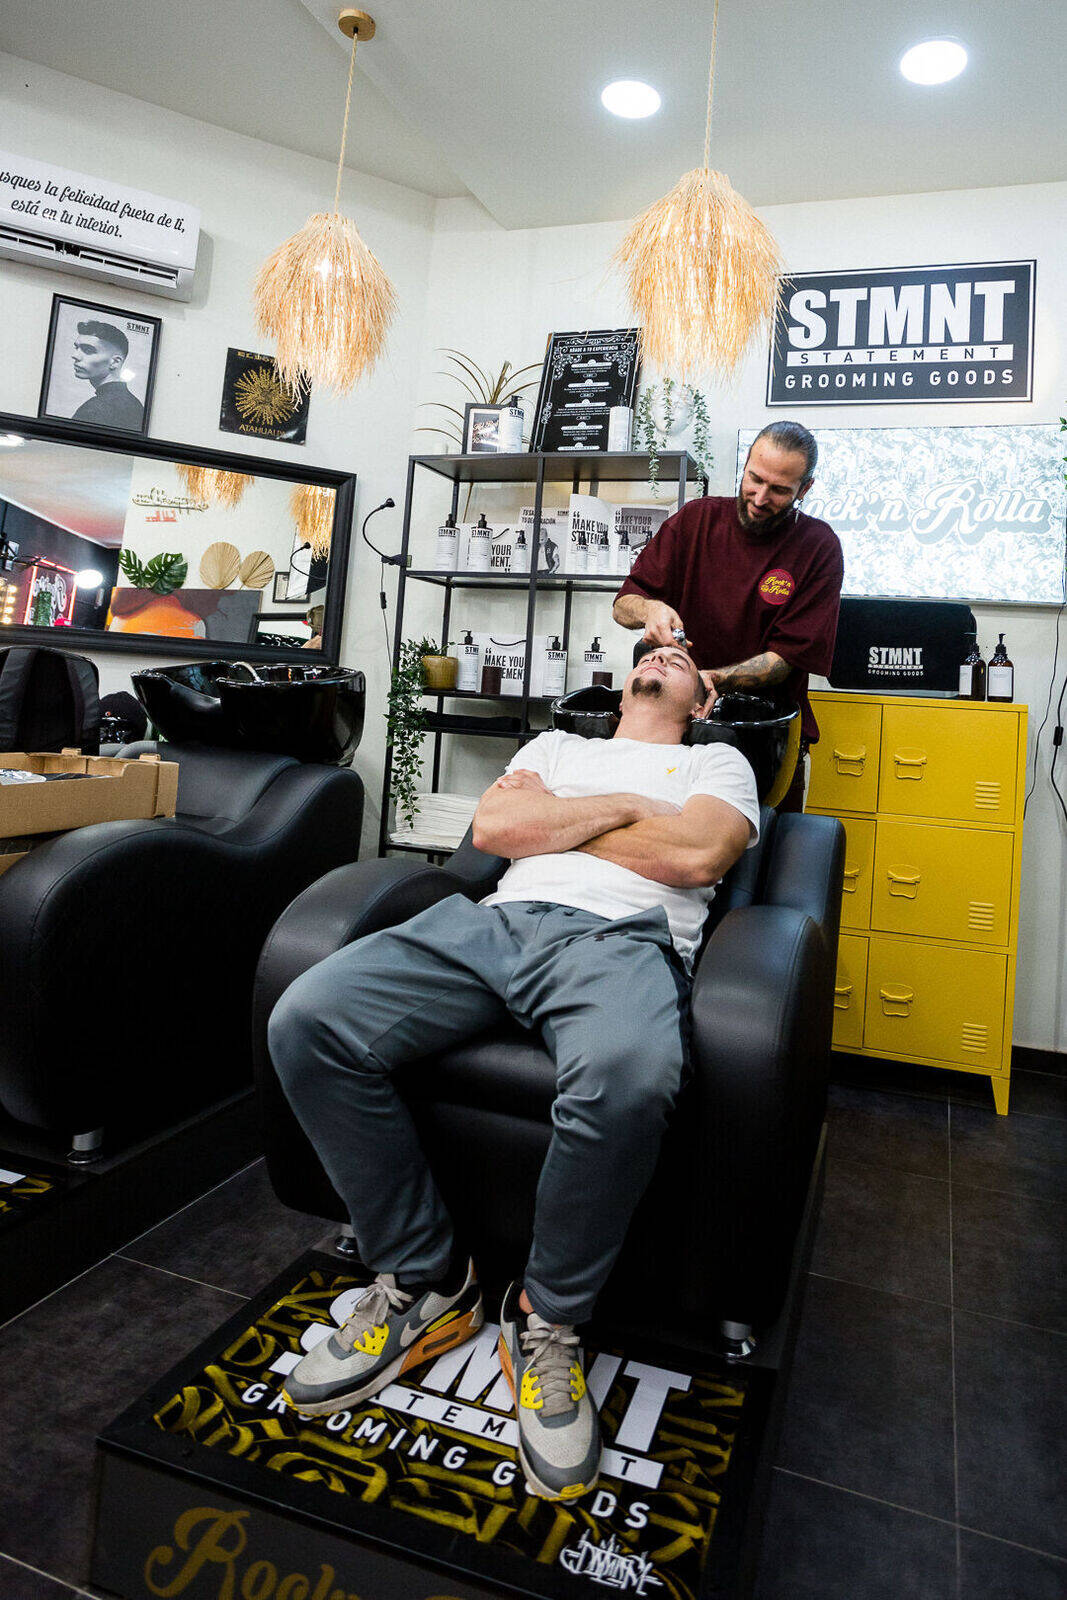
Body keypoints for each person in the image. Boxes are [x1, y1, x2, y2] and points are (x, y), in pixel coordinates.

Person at [268, 644, 759, 1503]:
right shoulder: (555, 745)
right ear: (621, 681)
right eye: (651, 649)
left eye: (682, 659)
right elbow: (496, 833)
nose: (663, 653)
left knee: (627, 1078)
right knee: (308, 1019)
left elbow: (695, 859)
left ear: (702, 701)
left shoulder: (714, 763)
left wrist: (558, 819)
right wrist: (629, 808)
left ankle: (548, 1319)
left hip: (619, 941)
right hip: (493, 923)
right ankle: (422, 1274)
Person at [612, 420, 843, 811]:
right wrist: (650, 608)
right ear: (745, 465)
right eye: (755, 479)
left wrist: (711, 679)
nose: (759, 497)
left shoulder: (818, 548)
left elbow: (786, 660)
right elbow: (623, 604)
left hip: (764, 739)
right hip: (677, 731)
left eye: (779, 490)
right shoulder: (695, 520)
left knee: (763, 844)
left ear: (804, 489)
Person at [70, 321, 144, 429]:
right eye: (76, 348)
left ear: (115, 362)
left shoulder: (94, 409)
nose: (75, 356)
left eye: (88, 350)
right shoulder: (134, 403)